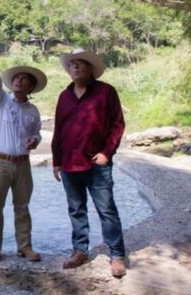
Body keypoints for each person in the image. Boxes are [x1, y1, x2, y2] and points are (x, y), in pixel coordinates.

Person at [51, 48, 127, 278]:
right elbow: (59, 129)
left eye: (80, 63)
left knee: (107, 210)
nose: (74, 67)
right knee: (76, 209)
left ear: (91, 69)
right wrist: (56, 160)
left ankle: (117, 255)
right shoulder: (64, 96)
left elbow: (117, 124)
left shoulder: (106, 92)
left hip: (97, 164)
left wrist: (106, 153)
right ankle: (80, 251)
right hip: (69, 163)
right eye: (71, 64)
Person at [0, 41, 47, 262]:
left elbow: (37, 133)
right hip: (0, 162)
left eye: (24, 79)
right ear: (11, 83)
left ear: (31, 87)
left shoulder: (32, 110)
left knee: (22, 207)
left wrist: (35, 140)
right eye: (17, 78)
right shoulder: (0, 101)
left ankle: (24, 246)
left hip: (23, 163)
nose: (19, 80)